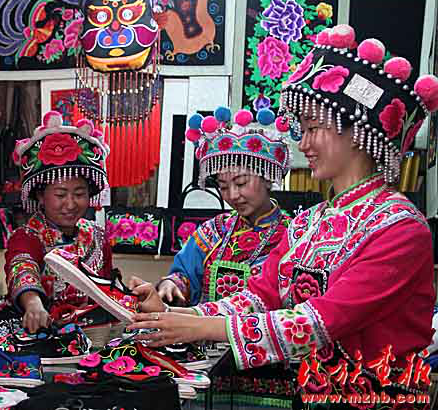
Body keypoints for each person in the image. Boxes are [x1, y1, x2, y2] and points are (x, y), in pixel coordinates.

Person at [129, 25, 435, 396]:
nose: (302, 144)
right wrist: (175, 315)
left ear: (358, 130)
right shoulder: (308, 223)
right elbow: (260, 297)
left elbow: (322, 320)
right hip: (312, 393)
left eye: (313, 128)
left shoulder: (400, 228)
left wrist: (201, 327)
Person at [158, 107, 292, 306]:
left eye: (241, 183)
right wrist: (172, 284)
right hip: (202, 325)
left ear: (267, 178)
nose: (233, 195)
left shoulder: (292, 235)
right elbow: (184, 274)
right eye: (223, 187)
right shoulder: (214, 231)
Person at [5, 111, 113, 333]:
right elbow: (22, 265)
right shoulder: (27, 236)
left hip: (93, 334)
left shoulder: (98, 237)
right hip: (41, 332)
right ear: (40, 196)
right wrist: (33, 303)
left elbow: (107, 289)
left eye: (79, 194)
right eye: (61, 194)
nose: (71, 204)